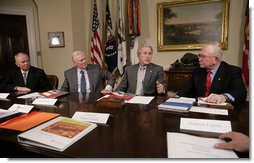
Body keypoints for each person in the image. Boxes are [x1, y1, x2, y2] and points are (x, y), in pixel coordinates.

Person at [176, 44, 247, 104]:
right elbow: (186, 89)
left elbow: (240, 92)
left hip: (221, 113)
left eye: (203, 56)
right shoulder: (198, 71)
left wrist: (223, 97)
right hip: (199, 110)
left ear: (215, 59)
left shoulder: (232, 71)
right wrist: (176, 98)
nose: (199, 59)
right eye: (199, 56)